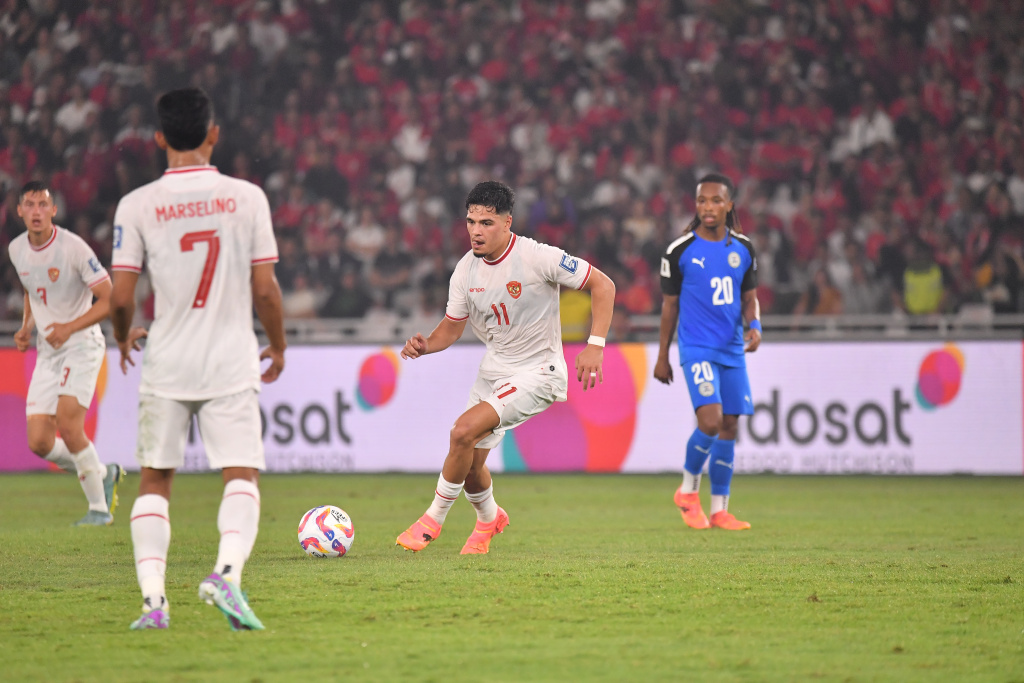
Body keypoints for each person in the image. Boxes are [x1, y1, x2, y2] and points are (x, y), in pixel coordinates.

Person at [109, 88, 286, 632]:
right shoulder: (247, 197)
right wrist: (277, 345)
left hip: (167, 358)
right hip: (230, 358)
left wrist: (122, 337)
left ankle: (153, 604)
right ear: (213, 133)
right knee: (241, 474)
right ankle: (226, 575)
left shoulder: (136, 204)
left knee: (156, 479)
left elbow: (121, 298)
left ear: (159, 138)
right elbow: (265, 289)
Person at [396, 180, 615, 554]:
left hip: (539, 371)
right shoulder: (465, 271)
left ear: (507, 222)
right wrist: (425, 345)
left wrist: (595, 346)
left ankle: (432, 519)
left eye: (486, 223)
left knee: (461, 432)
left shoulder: (537, 256)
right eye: (470, 222)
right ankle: (489, 518)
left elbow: (604, 285)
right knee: (469, 465)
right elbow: (451, 328)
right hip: (494, 370)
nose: (476, 232)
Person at [8, 180, 124, 526]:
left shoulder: (74, 248)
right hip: (48, 350)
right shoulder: (16, 249)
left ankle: (99, 511)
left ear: (54, 210)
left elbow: (110, 298)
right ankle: (103, 472)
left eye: (43, 205)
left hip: (81, 344)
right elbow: (33, 289)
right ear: (20, 211)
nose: (37, 212)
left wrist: (69, 327)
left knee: (70, 427)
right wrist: (28, 326)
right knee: (39, 442)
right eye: (30, 205)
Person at [654, 173, 761, 531]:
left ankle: (720, 511)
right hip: (697, 348)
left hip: (732, 350)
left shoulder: (744, 248)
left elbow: (750, 298)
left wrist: (755, 325)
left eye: (716, 200)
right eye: (702, 201)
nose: (708, 207)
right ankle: (687, 492)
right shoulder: (679, 251)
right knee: (711, 422)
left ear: (729, 205)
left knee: (730, 425)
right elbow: (669, 307)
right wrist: (662, 355)